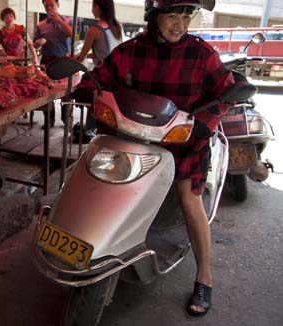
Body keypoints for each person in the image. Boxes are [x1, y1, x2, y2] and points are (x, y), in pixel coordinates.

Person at [71, 0, 234, 317]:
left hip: (182, 142)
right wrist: (87, 87)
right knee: (96, 180)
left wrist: (207, 122)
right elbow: (101, 76)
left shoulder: (202, 54)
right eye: (173, 16)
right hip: (133, 141)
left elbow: (225, 93)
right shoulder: (131, 50)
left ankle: (204, 276)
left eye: (186, 16)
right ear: (154, 17)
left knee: (189, 201)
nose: (180, 24)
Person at [34, 0, 73, 127]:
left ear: (58, 5)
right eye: (46, 6)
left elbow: (71, 34)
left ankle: (66, 119)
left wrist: (59, 21)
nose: (49, 8)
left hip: (63, 59)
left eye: (52, 5)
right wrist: (38, 43)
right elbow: (34, 43)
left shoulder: (67, 21)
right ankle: (49, 120)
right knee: (46, 90)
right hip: (47, 59)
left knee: (66, 91)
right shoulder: (41, 25)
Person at [73, 0, 123, 67]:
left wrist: (70, 59)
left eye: (94, 7)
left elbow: (80, 59)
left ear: (102, 8)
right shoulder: (117, 26)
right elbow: (105, 53)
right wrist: (87, 56)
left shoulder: (94, 30)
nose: (92, 10)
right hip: (116, 70)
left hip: (103, 73)